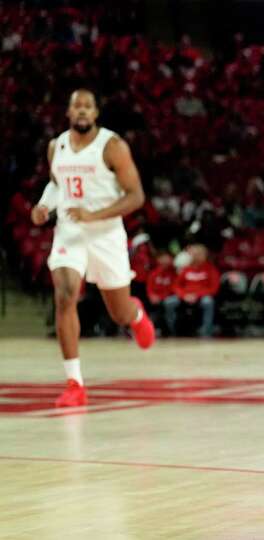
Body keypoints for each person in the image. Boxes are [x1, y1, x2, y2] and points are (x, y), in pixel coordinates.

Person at [30, 88, 156, 408]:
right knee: (65, 292)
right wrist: (44, 206)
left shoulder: (112, 146)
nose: (83, 111)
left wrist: (94, 215)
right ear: (69, 113)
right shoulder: (55, 147)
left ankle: (136, 313)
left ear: (96, 113)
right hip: (70, 232)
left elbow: (136, 196)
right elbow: (57, 184)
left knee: (119, 312)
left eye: (88, 106)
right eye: (77, 106)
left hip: (106, 234)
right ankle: (75, 383)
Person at [169, 245, 220, 337]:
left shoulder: (211, 269)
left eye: (199, 254)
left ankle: (206, 331)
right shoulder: (186, 269)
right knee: (169, 302)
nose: (197, 256)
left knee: (208, 302)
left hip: (202, 296)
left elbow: (214, 288)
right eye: (195, 254)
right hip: (185, 296)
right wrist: (184, 295)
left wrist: (197, 295)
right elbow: (176, 286)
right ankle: (172, 330)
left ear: (205, 255)